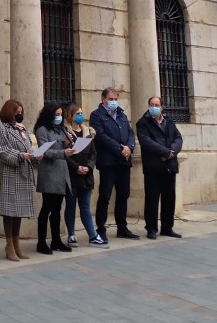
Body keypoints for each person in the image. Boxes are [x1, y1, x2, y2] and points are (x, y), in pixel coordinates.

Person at [89, 87, 139, 240]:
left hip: (124, 161)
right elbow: (101, 137)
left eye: (115, 99)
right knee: (105, 195)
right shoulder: (96, 115)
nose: (114, 102)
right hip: (108, 162)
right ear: (103, 99)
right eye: (111, 99)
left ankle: (122, 228)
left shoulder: (122, 115)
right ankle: (101, 229)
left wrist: (129, 147)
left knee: (123, 195)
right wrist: (119, 149)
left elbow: (130, 133)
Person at [0, 98, 37, 261]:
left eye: (21, 112)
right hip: (11, 174)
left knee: (19, 212)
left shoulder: (23, 130)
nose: (20, 115)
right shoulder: (2, 130)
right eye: (17, 112)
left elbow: (28, 148)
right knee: (10, 212)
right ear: (9, 112)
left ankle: (17, 244)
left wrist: (34, 155)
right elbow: (2, 151)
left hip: (24, 173)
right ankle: (9, 244)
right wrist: (20, 156)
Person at [136, 95, 184, 240]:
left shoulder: (169, 121)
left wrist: (172, 152)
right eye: (152, 104)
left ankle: (167, 228)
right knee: (152, 199)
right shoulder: (143, 123)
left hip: (169, 166)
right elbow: (146, 141)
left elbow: (178, 138)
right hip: (153, 166)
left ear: (162, 107)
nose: (154, 107)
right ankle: (151, 228)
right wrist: (165, 152)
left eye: (157, 105)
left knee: (169, 198)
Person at [34, 102, 75, 254]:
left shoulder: (61, 129)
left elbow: (65, 148)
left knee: (57, 209)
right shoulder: (42, 129)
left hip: (61, 173)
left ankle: (56, 240)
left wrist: (68, 143)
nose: (59, 118)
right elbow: (46, 151)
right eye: (56, 115)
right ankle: (41, 242)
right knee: (47, 208)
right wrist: (63, 153)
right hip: (50, 173)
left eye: (60, 115)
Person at [64, 101, 105, 246]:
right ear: (70, 116)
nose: (80, 116)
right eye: (77, 114)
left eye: (81, 113)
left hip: (86, 175)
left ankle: (93, 235)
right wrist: (76, 167)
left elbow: (93, 153)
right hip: (72, 174)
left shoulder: (87, 132)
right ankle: (71, 235)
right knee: (70, 205)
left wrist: (89, 167)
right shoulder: (66, 133)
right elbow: (65, 155)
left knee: (85, 206)